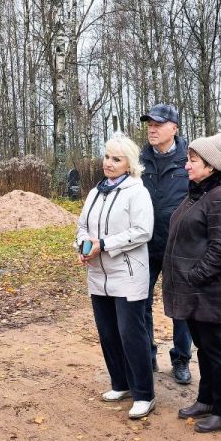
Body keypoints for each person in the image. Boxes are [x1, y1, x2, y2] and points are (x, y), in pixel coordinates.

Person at [163, 132, 221, 433]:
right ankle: (207, 399)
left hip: (207, 292)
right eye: (188, 160)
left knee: (216, 349)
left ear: (211, 166)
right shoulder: (196, 194)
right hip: (191, 291)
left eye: (193, 161)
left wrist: (193, 277)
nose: (187, 166)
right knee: (204, 348)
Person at [76, 135, 156, 419]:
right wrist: (83, 246)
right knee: (108, 332)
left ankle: (144, 393)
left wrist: (105, 244)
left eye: (116, 159)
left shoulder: (137, 192)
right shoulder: (95, 192)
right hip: (99, 274)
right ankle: (120, 383)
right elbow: (83, 225)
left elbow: (143, 230)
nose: (108, 163)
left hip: (127, 274)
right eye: (107, 157)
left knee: (131, 333)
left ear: (129, 164)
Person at [139, 103, 193, 383]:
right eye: (149, 123)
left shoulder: (190, 159)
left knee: (180, 307)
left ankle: (182, 359)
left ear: (174, 128)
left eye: (158, 124)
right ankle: (147, 356)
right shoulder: (138, 160)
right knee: (141, 302)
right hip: (145, 245)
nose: (152, 128)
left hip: (178, 246)